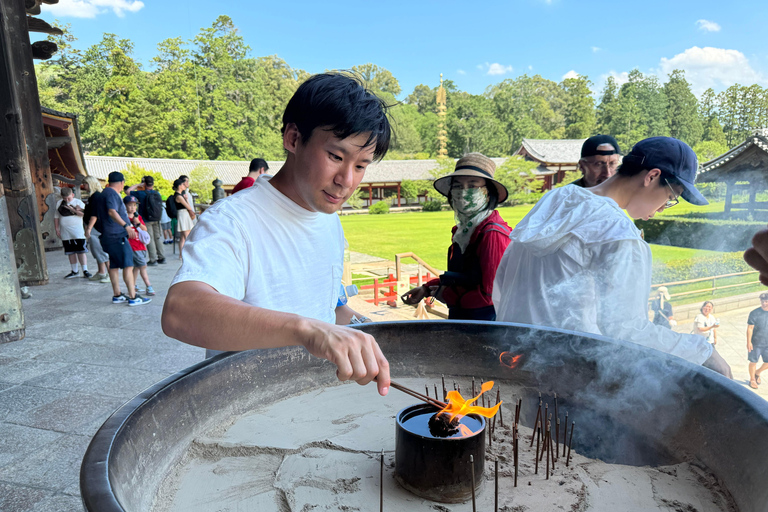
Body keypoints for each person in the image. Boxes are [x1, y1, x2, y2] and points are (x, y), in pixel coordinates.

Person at [162, 72, 391, 395]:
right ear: (294, 138)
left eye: (361, 165)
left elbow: (329, 308)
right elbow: (181, 310)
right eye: (336, 157)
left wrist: (362, 332)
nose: (347, 180)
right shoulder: (233, 220)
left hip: (314, 401)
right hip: (247, 409)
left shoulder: (329, 221)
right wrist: (305, 330)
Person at [493, 136, 731, 378]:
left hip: (512, 361)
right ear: (651, 176)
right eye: (670, 197)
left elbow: (503, 282)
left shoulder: (554, 201)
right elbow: (626, 330)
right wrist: (703, 351)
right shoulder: (619, 235)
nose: (662, 208)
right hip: (569, 376)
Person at [402, 153, 511, 320]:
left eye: (473, 185)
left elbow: (490, 294)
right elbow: (463, 276)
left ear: (488, 192)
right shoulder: (465, 230)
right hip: (464, 317)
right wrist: (427, 288)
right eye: (458, 186)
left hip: (484, 324)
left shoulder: (492, 234)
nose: (463, 192)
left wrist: (449, 296)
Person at [95, 171, 151, 306]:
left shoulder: (104, 194)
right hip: (116, 235)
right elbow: (112, 211)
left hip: (108, 236)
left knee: (114, 265)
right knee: (128, 265)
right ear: (121, 183)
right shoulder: (112, 194)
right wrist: (126, 225)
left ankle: (117, 294)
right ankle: (133, 296)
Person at [54, 187, 91, 278]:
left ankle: (85, 270)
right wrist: (56, 228)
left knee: (81, 251)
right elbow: (56, 217)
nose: (66, 200)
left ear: (72, 195)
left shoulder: (78, 202)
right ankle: (74, 271)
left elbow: (85, 214)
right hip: (65, 231)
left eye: (68, 198)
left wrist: (73, 210)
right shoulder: (59, 203)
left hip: (77, 231)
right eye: (64, 198)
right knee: (70, 251)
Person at [128, 176, 166, 265]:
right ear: (153, 184)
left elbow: (128, 191)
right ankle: (162, 257)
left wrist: (138, 184)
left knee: (150, 238)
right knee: (157, 237)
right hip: (156, 218)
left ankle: (153, 259)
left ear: (144, 184)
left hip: (146, 219)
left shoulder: (141, 193)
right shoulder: (157, 193)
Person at [124, 196, 155, 296]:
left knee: (137, 267)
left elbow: (144, 228)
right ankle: (148, 286)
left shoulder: (138, 217)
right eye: (130, 205)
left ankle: (133, 285)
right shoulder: (124, 218)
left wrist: (137, 222)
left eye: (134, 205)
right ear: (125, 206)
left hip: (141, 245)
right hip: (132, 246)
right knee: (143, 266)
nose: (132, 207)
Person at [83, 175, 111, 283]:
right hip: (94, 226)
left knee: (100, 251)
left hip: (96, 228)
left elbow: (95, 214)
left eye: (85, 184)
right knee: (96, 251)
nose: (84, 186)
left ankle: (109, 274)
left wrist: (89, 228)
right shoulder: (94, 196)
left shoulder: (96, 197)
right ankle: (101, 272)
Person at [747, 293, 768, 389]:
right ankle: (752, 379)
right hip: (756, 342)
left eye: (766, 301)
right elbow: (750, 328)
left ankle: (757, 372)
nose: (764, 303)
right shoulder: (754, 313)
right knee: (753, 361)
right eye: (762, 301)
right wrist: (748, 342)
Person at [173, 178, 196, 258]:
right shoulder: (178, 196)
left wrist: (186, 199)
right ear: (179, 186)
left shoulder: (179, 195)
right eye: (183, 184)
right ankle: (189, 254)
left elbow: (187, 206)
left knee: (183, 237)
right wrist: (186, 200)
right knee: (187, 236)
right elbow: (188, 207)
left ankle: (181, 254)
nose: (184, 186)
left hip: (183, 214)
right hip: (183, 215)